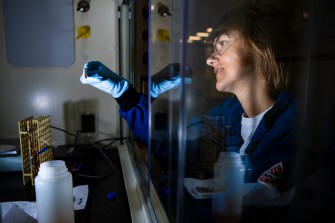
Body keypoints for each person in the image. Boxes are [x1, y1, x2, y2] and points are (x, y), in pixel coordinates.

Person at [80, 3, 299, 220]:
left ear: (260, 46)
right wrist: (126, 95)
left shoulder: (292, 127)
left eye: (222, 43)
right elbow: (173, 146)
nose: (210, 59)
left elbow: (253, 210)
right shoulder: (230, 112)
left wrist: (168, 190)